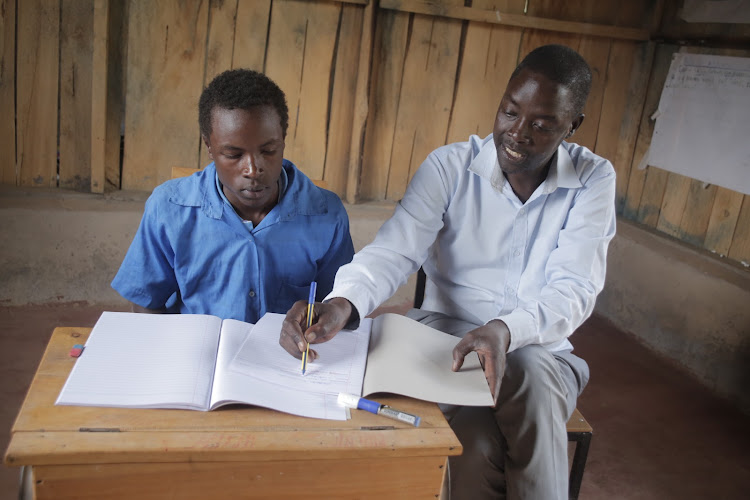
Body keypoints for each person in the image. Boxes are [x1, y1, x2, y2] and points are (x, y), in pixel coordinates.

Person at [280, 44, 616, 499]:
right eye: (510, 112)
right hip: (447, 345)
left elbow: (575, 288)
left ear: (572, 125)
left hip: (542, 355)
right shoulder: (450, 167)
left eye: (541, 124)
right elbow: (395, 250)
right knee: (475, 445)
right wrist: (344, 303)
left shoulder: (593, 178)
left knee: (530, 367)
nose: (517, 134)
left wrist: (505, 330)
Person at [112, 69, 354, 322]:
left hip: (285, 357)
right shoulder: (168, 209)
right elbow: (147, 304)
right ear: (209, 147)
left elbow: (336, 302)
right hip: (198, 353)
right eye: (233, 155)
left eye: (268, 150)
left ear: (282, 140)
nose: (252, 169)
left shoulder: (326, 214)